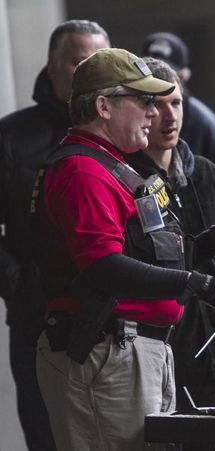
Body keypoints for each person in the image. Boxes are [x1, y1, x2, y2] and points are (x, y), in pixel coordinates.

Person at [34, 48, 215, 451]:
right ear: (103, 106)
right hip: (106, 355)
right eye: (143, 100)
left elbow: (152, 254)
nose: (154, 112)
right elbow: (103, 266)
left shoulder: (111, 165)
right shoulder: (83, 171)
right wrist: (198, 284)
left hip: (131, 354)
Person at [0, 19, 109, 451]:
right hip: (35, 316)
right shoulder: (12, 135)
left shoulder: (118, 133)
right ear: (51, 66)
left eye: (99, 64)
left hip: (108, 318)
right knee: (45, 435)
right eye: (80, 63)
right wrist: (16, 282)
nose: (90, 76)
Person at [126, 57, 215, 414]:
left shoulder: (206, 172)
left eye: (176, 102)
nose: (170, 116)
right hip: (159, 341)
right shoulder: (129, 179)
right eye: (156, 105)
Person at [140, 31, 215, 193]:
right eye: (152, 73)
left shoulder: (202, 118)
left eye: (176, 103)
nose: (170, 116)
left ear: (183, 78)